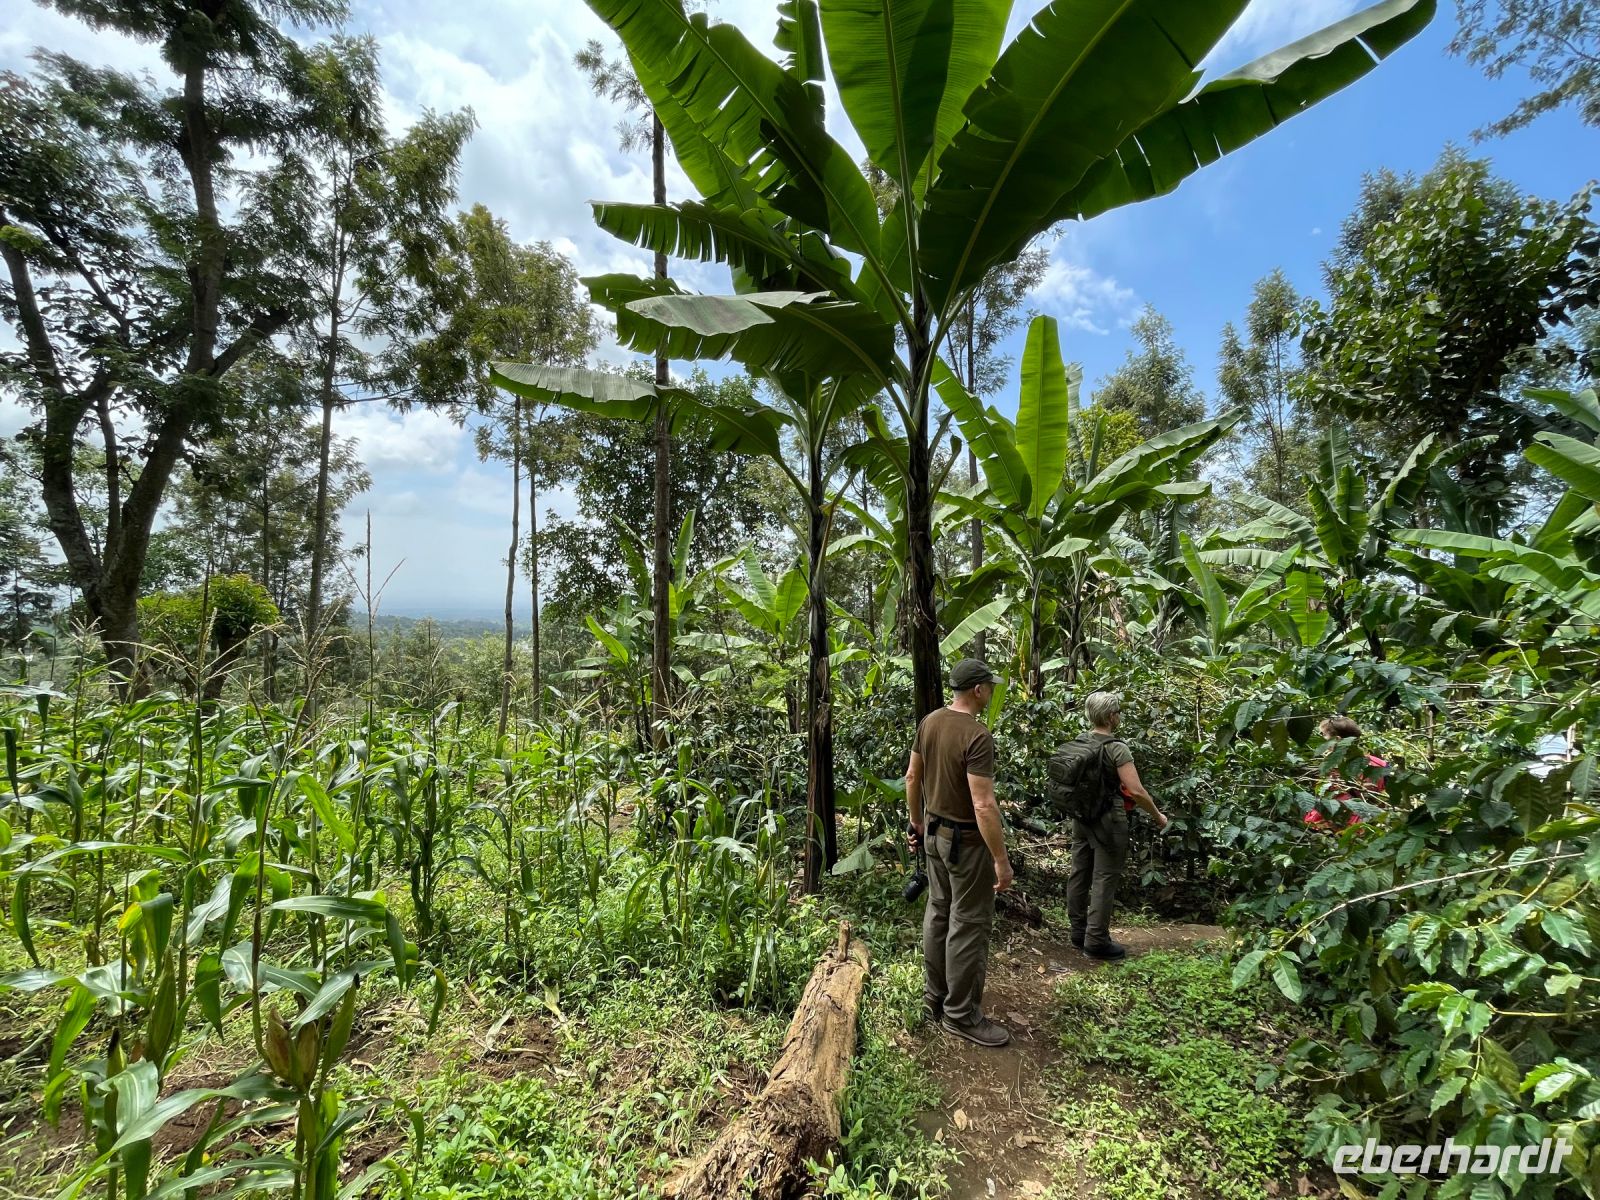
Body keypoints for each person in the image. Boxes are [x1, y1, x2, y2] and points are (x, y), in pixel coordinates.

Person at [905, 658, 1015, 1048]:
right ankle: (961, 1014)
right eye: (989, 687)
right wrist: (1001, 860)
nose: (990, 693)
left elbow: (912, 777)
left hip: (933, 833)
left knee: (938, 911)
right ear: (978, 690)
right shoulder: (977, 735)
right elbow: (983, 804)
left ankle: (933, 998)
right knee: (968, 922)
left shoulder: (930, 722)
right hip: (965, 842)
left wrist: (916, 822)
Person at [1066, 691, 1168, 961]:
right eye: (1118, 712)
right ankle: (1096, 940)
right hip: (1109, 820)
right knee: (1104, 876)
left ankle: (1079, 931)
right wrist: (1158, 815)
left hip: (1081, 817)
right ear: (1112, 717)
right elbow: (1136, 791)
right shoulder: (1116, 748)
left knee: (1080, 872)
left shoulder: (1081, 741)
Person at [1304, 715, 1386, 829]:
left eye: (1323, 735)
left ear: (1337, 739)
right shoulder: (1381, 764)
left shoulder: (1333, 766)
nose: (1321, 739)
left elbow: (1326, 801)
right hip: (1367, 825)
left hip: (1339, 825)